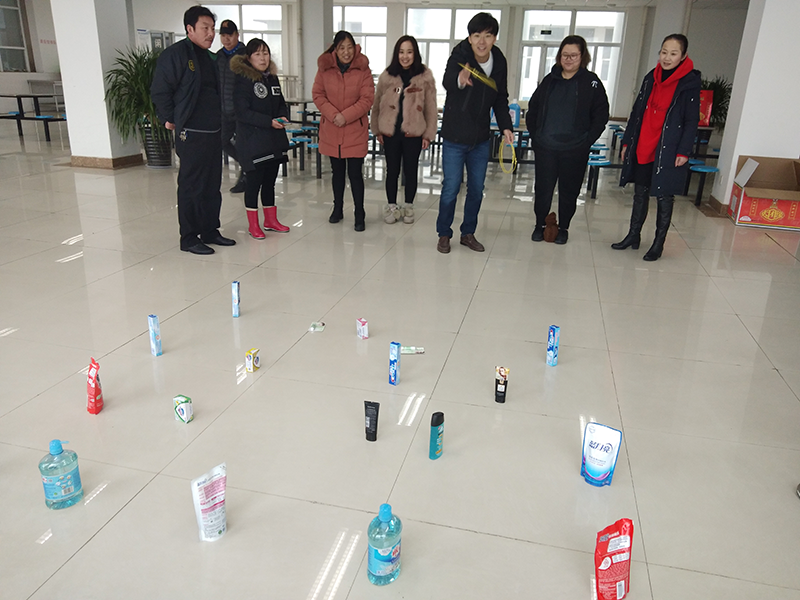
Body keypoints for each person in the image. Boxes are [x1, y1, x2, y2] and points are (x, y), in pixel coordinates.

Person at [151, 5, 236, 255]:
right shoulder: (176, 55)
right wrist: (169, 118)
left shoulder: (211, 58)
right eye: (205, 28)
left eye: (212, 28)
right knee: (192, 186)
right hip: (191, 132)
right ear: (190, 29)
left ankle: (210, 230)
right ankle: (188, 237)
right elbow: (160, 90)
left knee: (211, 184)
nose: (211, 33)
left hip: (213, 131)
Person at [614, 33, 701, 261]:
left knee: (664, 197)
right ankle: (633, 235)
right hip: (644, 143)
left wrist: (684, 151)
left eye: (673, 53)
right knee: (640, 192)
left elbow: (692, 120)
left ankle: (658, 243)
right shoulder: (650, 77)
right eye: (664, 52)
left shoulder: (689, 83)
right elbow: (636, 112)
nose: (667, 58)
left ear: (683, 56)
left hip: (668, 148)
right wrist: (627, 142)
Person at [436, 12, 514, 254]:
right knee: (451, 188)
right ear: (469, 38)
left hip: (480, 138)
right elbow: (447, 81)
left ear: (494, 38)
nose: (482, 41)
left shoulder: (499, 62)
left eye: (488, 36)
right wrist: (460, 79)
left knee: (477, 190)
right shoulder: (460, 55)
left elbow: (500, 97)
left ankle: (467, 233)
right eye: (477, 35)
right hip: (455, 136)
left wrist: (506, 126)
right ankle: (444, 233)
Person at [526, 35, 609, 245]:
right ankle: (539, 225)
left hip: (575, 149)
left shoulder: (591, 82)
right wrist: (536, 136)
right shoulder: (549, 80)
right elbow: (533, 109)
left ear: (582, 57)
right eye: (565, 55)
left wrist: (587, 140)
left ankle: (563, 228)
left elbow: (601, 114)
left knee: (569, 191)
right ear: (559, 56)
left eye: (574, 55)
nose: (569, 59)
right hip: (546, 147)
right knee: (543, 189)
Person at [370, 35, 438, 225]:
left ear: (415, 54)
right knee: (391, 170)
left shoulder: (425, 77)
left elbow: (431, 108)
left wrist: (428, 134)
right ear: (396, 54)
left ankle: (408, 206)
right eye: (401, 52)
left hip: (414, 133)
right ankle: (391, 206)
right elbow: (376, 105)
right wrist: (377, 130)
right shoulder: (387, 76)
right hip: (390, 133)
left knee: (410, 170)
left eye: (409, 52)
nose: (405, 56)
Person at [312, 31, 375, 231]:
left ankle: (359, 212)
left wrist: (345, 116)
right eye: (341, 48)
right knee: (337, 172)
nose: (346, 52)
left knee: (355, 173)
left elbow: (367, 99)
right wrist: (333, 115)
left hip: (354, 129)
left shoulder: (362, 68)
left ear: (354, 48)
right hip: (332, 129)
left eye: (349, 47)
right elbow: (318, 94)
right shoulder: (325, 68)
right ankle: (337, 208)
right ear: (335, 49)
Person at [231, 39, 291, 238]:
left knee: (270, 182)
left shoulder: (271, 78)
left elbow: (280, 102)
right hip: (253, 142)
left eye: (265, 53)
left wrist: (282, 116)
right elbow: (242, 112)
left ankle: (270, 220)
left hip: (273, 140)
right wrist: (268, 121)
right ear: (249, 58)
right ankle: (253, 225)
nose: (263, 58)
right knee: (253, 183)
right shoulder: (243, 80)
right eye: (258, 54)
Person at [216, 19, 247, 193]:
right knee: (221, 141)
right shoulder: (218, 57)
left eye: (230, 35)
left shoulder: (245, 55)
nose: (226, 39)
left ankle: (245, 178)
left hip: (241, 111)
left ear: (237, 35)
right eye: (223, 36)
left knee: (242, 144)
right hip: (223, 110)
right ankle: (246, 164)